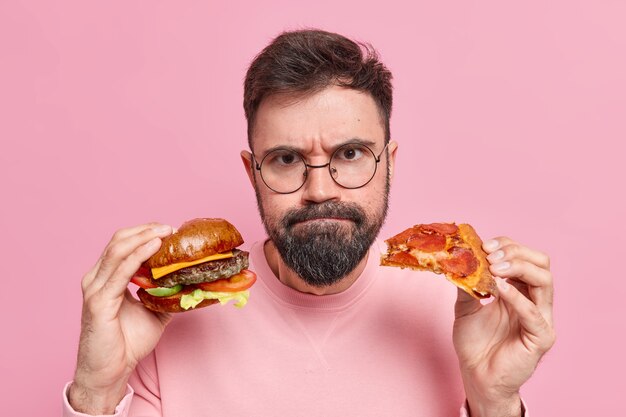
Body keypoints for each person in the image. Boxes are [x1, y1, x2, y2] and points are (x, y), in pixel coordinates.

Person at [64, 29, 555, 417]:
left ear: (390, 162)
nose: (320, 190)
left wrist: (493, 403)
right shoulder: (162, 323)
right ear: (251, 172)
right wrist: (96, 389)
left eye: (350, 153)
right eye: (284, 159)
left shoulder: (463, 313)